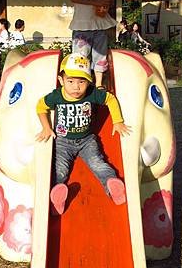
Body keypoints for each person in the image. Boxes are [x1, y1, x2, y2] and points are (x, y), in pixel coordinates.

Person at [36, 53, 131, 215]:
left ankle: (112, 185)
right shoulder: (57, 96)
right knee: (60, 170)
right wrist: (46, 127)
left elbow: (110, 99)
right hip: (63, 142)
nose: (76, 87)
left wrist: (118, 121)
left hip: (87, 141)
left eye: (82, 82)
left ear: (89, 82)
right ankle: (56, 197)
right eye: (70, 81)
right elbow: (40, 106)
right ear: (61, 81)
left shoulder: (92, 93)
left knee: (98, 163)